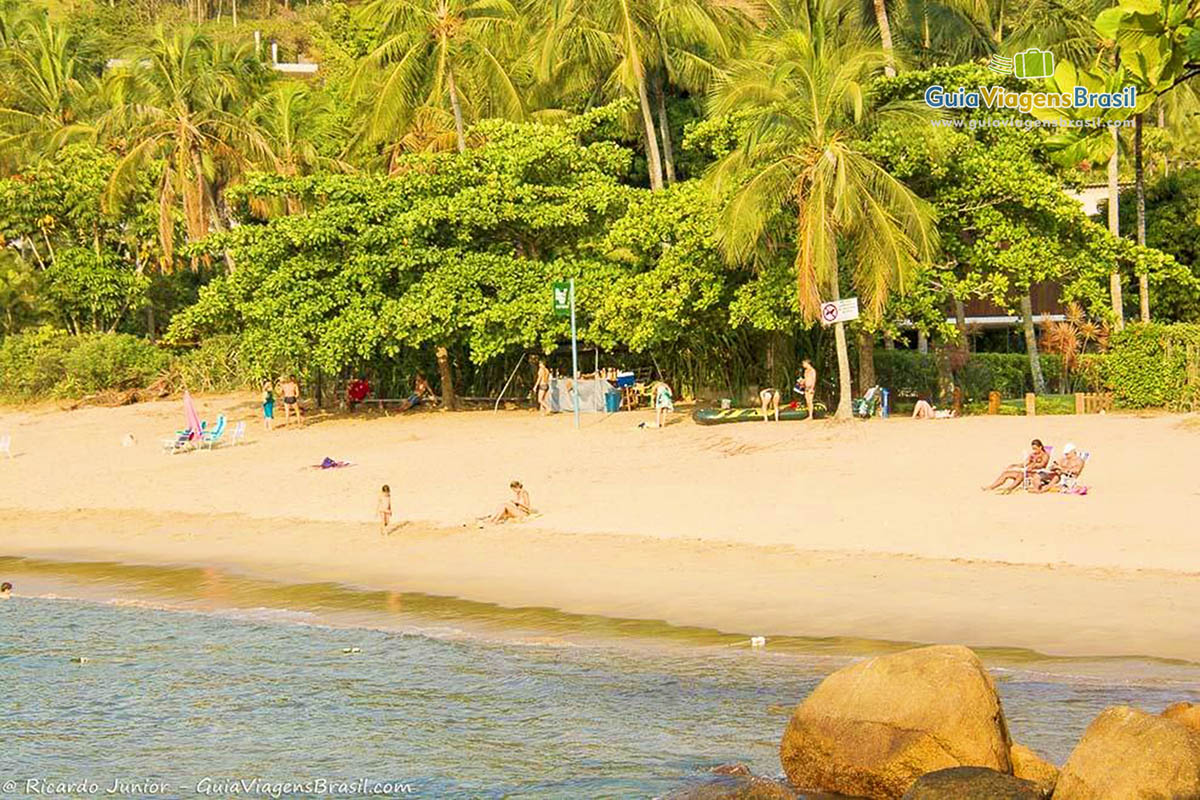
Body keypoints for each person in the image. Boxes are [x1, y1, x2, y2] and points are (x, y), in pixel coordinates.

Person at [982, 439, 1050, 492]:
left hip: (1037, 473)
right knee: (1006, 473)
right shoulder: (1032, 455)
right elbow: (1024, 464)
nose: (1034, 450)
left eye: (1035, 448)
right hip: (1027, 471)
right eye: (1033, 449)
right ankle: (991, 487)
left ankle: (1009, 488)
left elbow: (1042, 464)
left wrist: (1034, 466)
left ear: (1040, 447)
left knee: (1020, 475)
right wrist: (1014, 465)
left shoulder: (1045, 455)